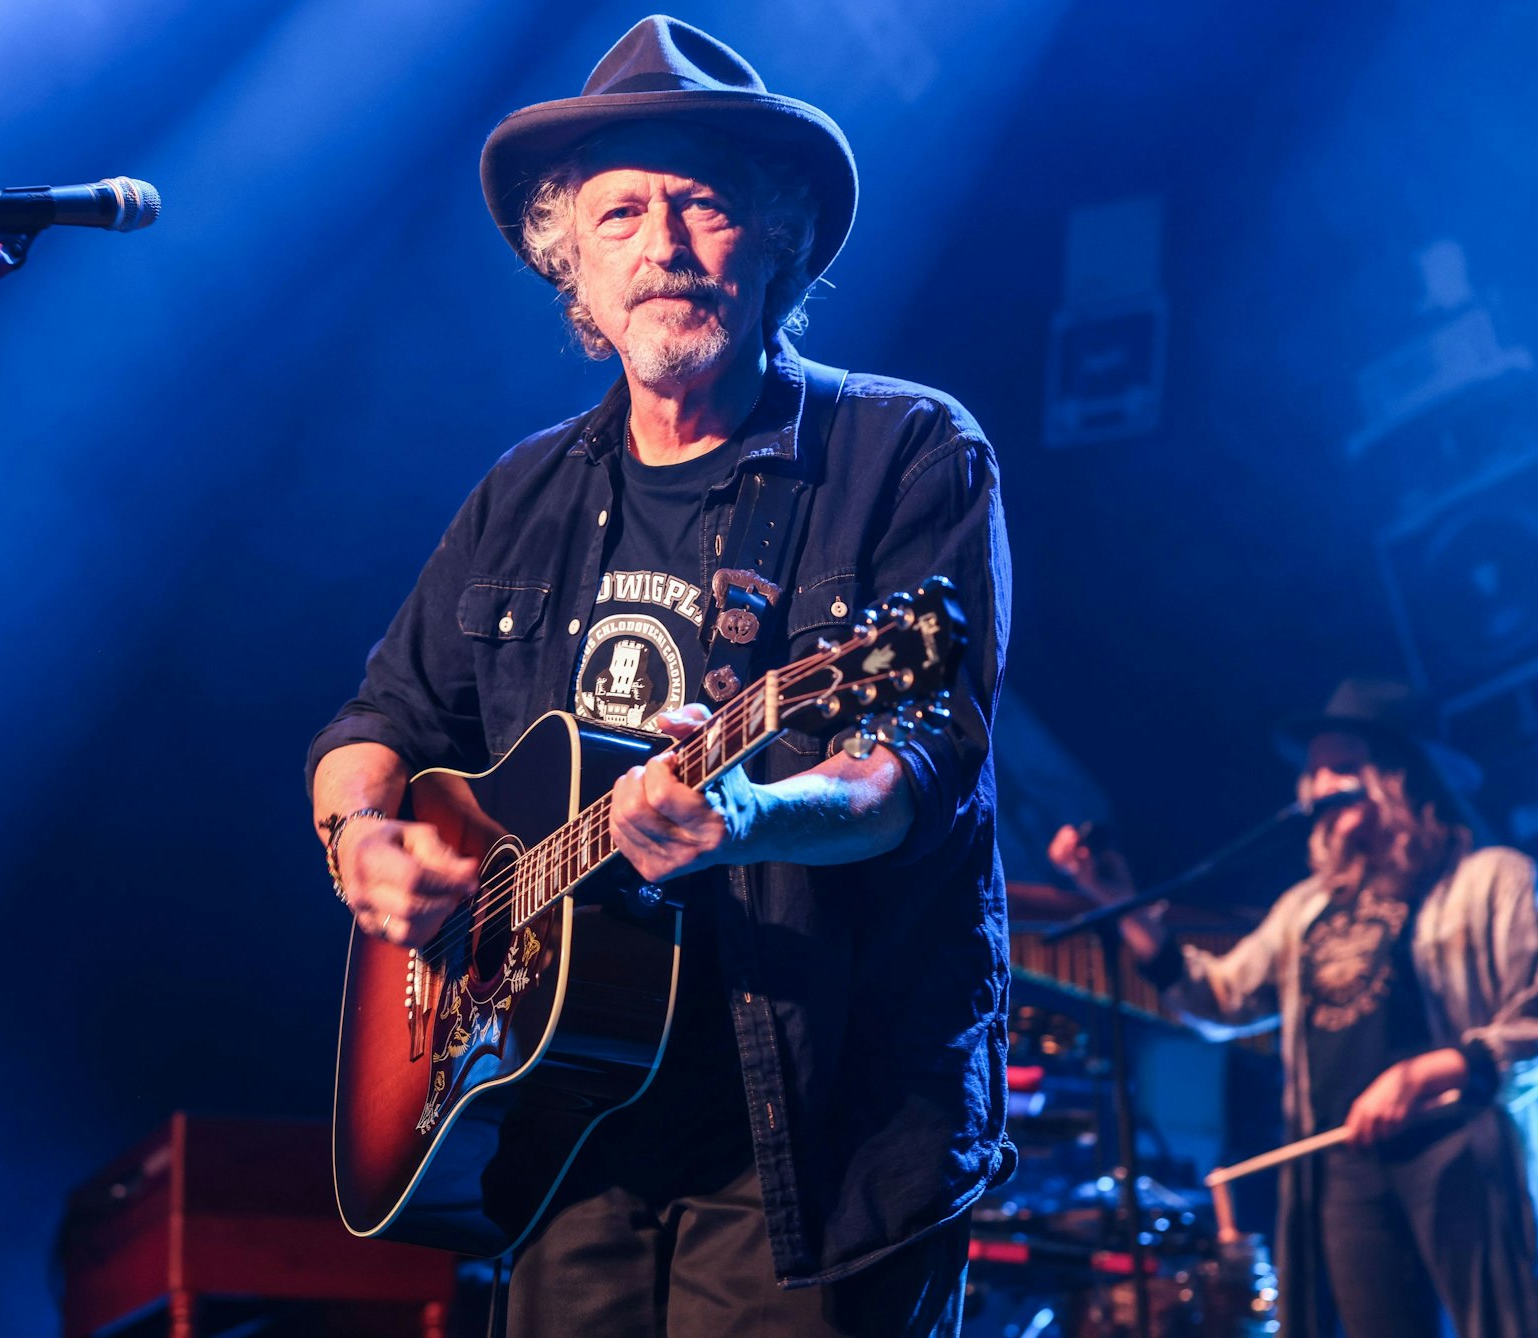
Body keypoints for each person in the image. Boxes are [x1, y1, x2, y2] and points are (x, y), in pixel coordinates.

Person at [306, 16, 1013, 1337]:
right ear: (569, 262)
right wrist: (360, 840)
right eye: (621, 213)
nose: (665, 247)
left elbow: (919, 760)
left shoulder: (905, 450)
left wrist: (745, 815)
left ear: (780, 240)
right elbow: (380, 718)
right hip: (566, 1131)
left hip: (818, 1141)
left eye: (704, 206)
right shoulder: (519, 493)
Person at [1049, 679, 1538, 1338]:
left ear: (1398, 775)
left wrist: (1436, 1069)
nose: (1314, 787)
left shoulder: (1489, 879)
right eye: (1309, 772)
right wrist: (1122, 903)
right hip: (1343, 1163)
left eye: (1338, 766)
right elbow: (1218, 1000)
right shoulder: (1305, 909)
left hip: (1452, 1146)